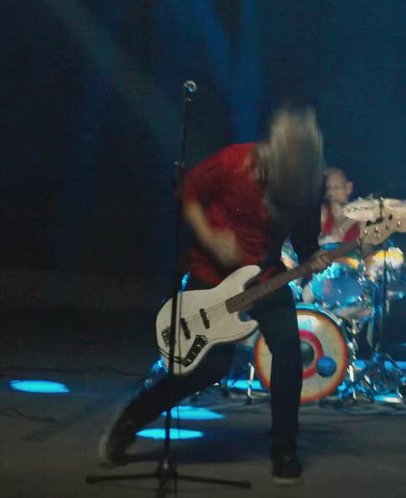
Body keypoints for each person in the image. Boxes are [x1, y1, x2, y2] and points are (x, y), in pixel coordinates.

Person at [98, 106, 330, 485]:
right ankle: (130, 420)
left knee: (289, 353)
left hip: (268, 279)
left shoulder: (308, 184)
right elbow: (186, 191)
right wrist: (209, 237)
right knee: (206, 366)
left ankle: (284, 449)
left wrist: (313, 258)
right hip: (213, 278)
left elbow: (305, 241)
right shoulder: (234, 161)